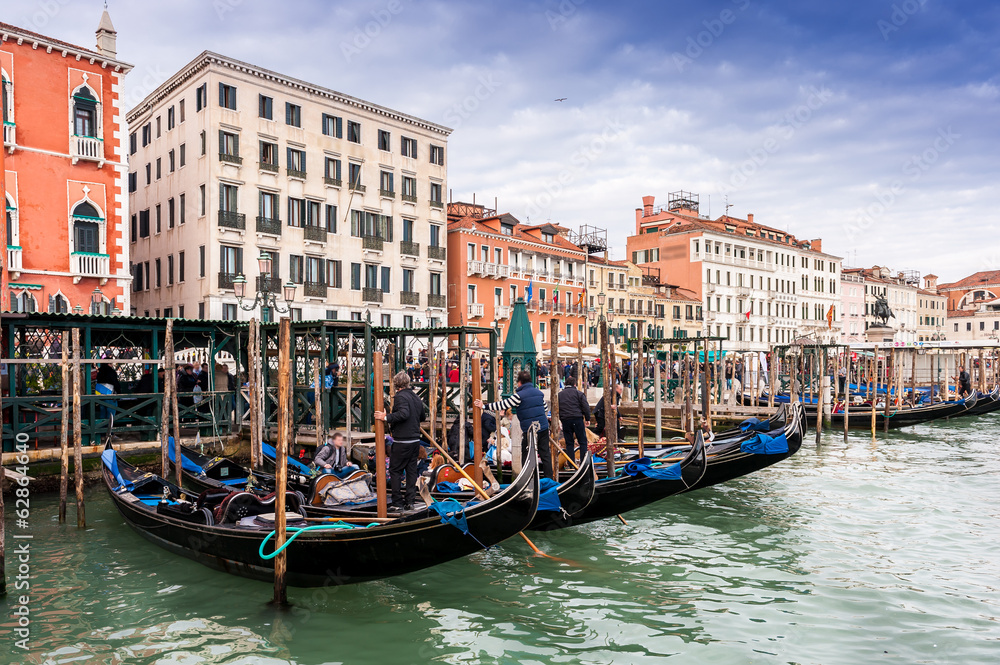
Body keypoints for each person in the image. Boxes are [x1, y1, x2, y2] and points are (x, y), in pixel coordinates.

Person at [474, 370, 552, 479]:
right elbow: (545, 408)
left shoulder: (519, 396)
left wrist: (484, 406)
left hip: (530, 430)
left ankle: (528, 479)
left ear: (520, 382)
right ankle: (549, 479)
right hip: (543, 427)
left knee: (527, 455)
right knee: (545, 455)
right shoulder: (539, 393)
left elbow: (503, 404)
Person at [374, 371, 426, 511]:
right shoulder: (416, 397)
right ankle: (410, 501)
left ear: (397, 384)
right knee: (411, 471)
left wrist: (386, 417)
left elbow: (404, 414)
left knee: (395, 470)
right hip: (415, 441)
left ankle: (397, 503)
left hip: (403, 441)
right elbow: (422, 417)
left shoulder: (400, 397)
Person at [558, 376, 591, 464]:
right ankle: (584, 462)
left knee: (569, 442)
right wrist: (587, 418)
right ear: (575, 384)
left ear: (565, 384)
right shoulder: (579, 394)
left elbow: (556, 408)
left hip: (565, 420)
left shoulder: (559, 395)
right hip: (577, 419)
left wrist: (559, 420)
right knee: (582, 441)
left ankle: (571, 463)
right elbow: (586, 407)